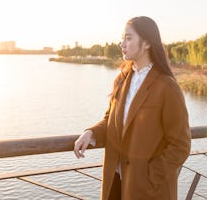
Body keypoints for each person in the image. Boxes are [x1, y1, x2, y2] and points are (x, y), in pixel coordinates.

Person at [74, 16, 191, 200]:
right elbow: (110, 120)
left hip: (148, 190)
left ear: (146, 43)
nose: (122, 44)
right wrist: (91, 133)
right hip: (115, 182)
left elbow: (181, 145)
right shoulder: (122, 79)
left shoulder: (167, 87)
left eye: (129, 38)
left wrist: (149, 176)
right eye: (123, 38)